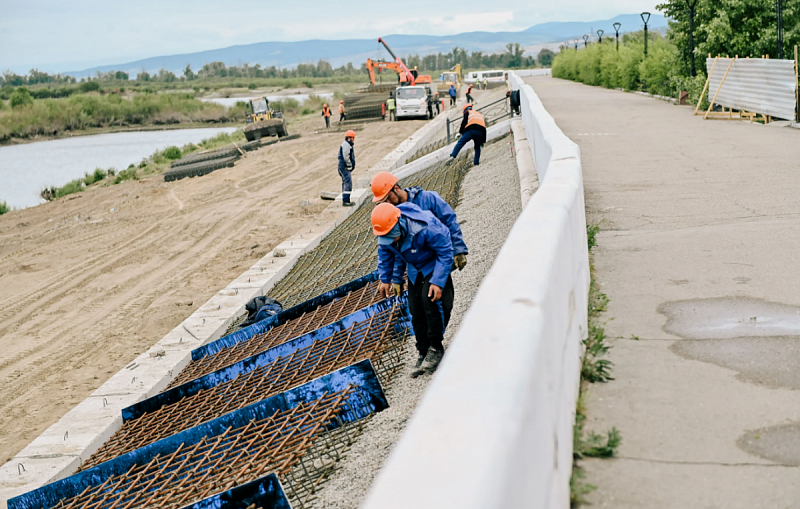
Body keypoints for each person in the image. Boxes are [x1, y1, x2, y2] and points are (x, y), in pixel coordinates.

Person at [372, 202, 454, 376]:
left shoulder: (425, 227)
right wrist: (387, 279)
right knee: (415, 310)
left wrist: (438, 282)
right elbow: (386, 253)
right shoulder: (388, 233)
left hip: (433, 264)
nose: (390, 241)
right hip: (414, 268)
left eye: (391, 237)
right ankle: (423, 351)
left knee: (430, 301)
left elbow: (446, 251)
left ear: (398, 225)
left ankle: (435, 348)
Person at [371, 171, 468, 271]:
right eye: (383, 201)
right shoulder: (392, 215)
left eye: (388, 198)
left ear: (396, 188)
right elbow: (394, 246)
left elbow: (450, 221)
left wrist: (458, 249)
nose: (388, 203)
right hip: (418, 266)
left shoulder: (428, 199)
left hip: (439, 257)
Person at [338, 130, 357, 207]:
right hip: (344, 167)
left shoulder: (347, 144)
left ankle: (346, 200)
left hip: (344, 167)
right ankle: (346, 201)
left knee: (346, 182)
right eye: (353, 138)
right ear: (349, 138)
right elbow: (346, 156)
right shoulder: (346, 145)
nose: (354, 139)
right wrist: (349, 165)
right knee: (348, 183)